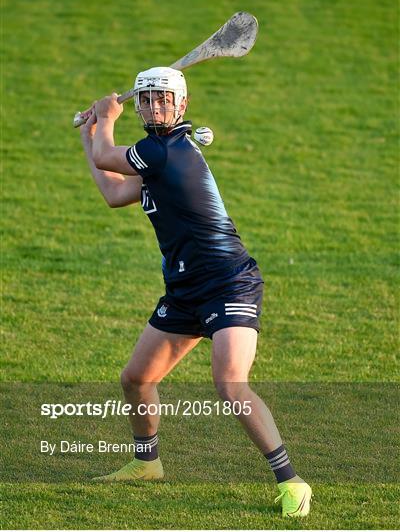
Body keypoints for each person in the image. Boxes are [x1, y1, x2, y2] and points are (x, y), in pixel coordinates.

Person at [79, 67, 312, 517]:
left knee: (229, 382)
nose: (154, 106)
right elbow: (112, 191)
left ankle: (292, 482)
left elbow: (110, 157)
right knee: (137, 379)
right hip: (185, 288)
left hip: (228, 280)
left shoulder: (165, 150)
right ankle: (148, 465)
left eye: (164, 99)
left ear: (182, 106)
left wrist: (105, 119)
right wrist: (90, 135)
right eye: (147, 99)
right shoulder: (153, 155)